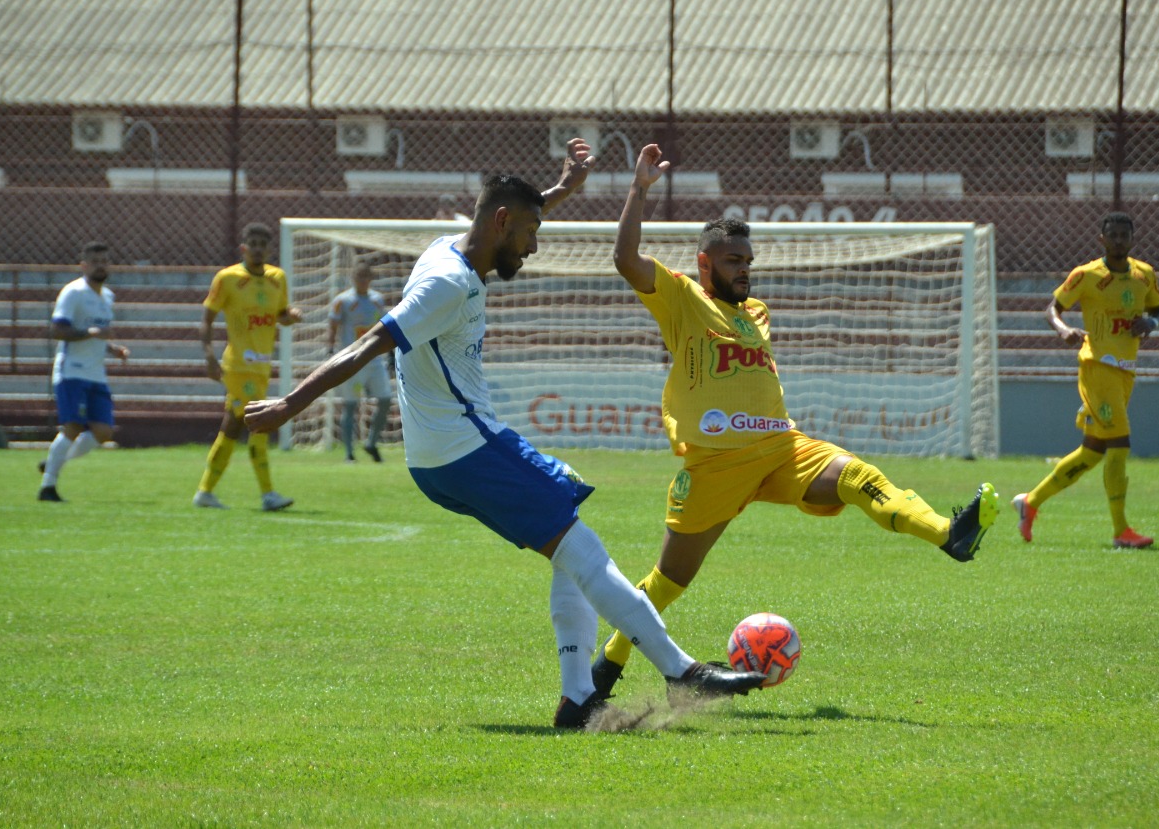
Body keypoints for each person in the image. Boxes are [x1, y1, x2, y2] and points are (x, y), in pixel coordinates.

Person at [243, 139, 767, 729]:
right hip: (466, 448)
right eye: (530, 233)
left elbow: (511, 212)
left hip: (445, 453)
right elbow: (371, 343)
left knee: (568, 538)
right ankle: (681, 671)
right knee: (586, 552)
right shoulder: (446, 283)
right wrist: (289, 404)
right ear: (500, 224)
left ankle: (577, 698)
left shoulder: (452, 247)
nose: (534, 245)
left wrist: (562, 189)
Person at [589, 143, 1000, 694]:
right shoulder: (682, 298)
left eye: (749, 262)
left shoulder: (756, 313)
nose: (745, 271)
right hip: (715, 466)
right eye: (734, 261)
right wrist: (638, 191)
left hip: (783, 448)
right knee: (667, 582)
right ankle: (608, 664)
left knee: (859, 477)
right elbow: (625, 260)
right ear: (705, 263)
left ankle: (949, 534)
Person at [1011, 211, 1159, 549]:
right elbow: (1052, 308)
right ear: (1102, 239)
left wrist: (1151, 325)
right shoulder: (1086, 275)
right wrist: (1064, 330)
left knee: (1092, 452)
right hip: (1097, 367)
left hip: (1125, 370)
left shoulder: (1145, 275)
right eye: (1113, 235)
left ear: (1133, 239)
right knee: (1120, 446)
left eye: (1125, 234)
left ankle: (1030, 502)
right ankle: (1121, 531)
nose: (1119, 240)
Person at [192, 223, 303, 511]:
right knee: (258, 425)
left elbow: (279, 315)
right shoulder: (227, 278)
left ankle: (205, 491)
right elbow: (206, 319)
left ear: (269, 249)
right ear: (243, 247)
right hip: (238, 366)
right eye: (251, 243)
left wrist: (289, 316)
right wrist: (209, 357)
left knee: (231, 427)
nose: (256, 248)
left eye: (262, 244)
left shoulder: (278, 278)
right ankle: (268, 494)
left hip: (262, 366)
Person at [37, 241, 130, 501]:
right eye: (95, 261)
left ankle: (54, 462)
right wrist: (92, 333)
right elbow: (58, 330)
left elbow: (96, 335)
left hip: (96, 373)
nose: (101, 265)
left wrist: (112, 348)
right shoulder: (73, 292)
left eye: (104, 261)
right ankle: (48, 487)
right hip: (72, 371)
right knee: (73, 426)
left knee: (103, 431)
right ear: (84, 265)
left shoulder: (107, 296)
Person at [329, 260, 393, 462]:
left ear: (371, 279)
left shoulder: (377, 300)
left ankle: (371, 443)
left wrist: (390, 354)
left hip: (374, 361)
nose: (363, 280)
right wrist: (331, 350)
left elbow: (385, 325)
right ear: (352, 277)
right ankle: (349, 452)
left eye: (366, 276)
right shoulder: (343, 301)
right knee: (350, 405)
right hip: (353, 361)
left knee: (385, 400)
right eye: (359, 276)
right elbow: (333, 325)